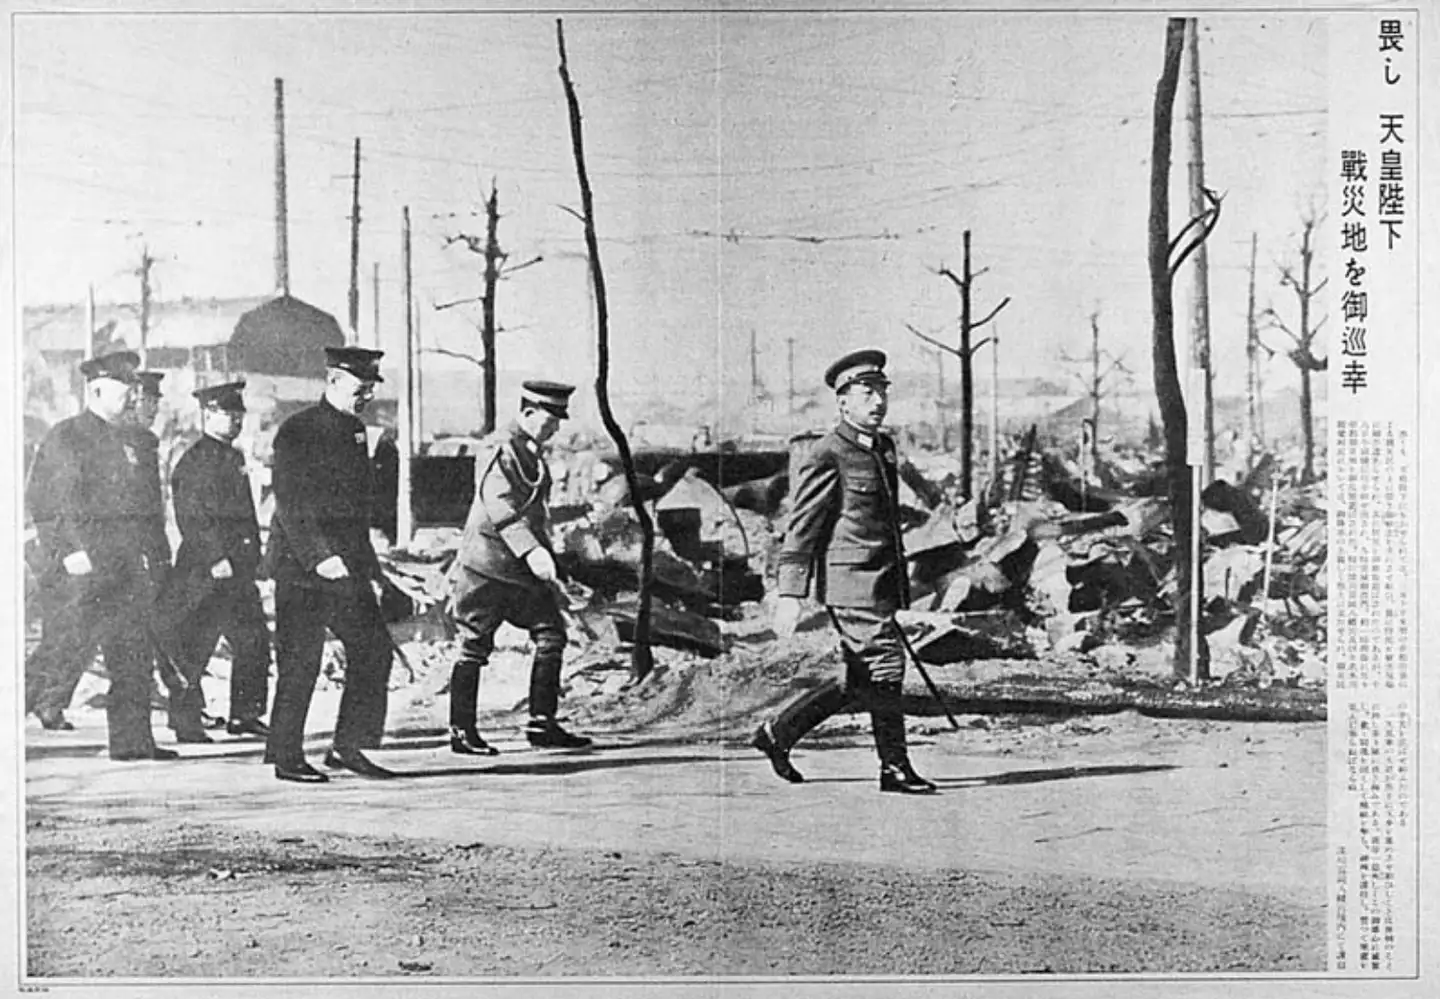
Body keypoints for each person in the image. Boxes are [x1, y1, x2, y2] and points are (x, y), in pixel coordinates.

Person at [752, 347, 936, 794]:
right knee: (886, 662)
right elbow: (802, 528)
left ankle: (778, 733)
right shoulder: (826, 453)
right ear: (843, 401)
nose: (878, 401)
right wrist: (790, 593)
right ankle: (894, 768)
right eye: (866, 393)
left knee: (860, 678)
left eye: (882, 392)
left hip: (880, 579)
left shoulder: (882, 448)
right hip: (848, 582)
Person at [24, 351, 178, 760]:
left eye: (133, 387)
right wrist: (70, 550)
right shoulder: (66, 436)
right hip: (81, 571)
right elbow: (48, 501)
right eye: (123, 387)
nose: (133, 395)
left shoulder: (136, 440)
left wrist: (157, 558)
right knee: (60, 652)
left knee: (132, 654)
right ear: (95, 390)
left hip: (125, 568)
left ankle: (132, 743)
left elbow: (148, 508)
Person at [264, 346, 394, 783]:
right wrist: (319, 557)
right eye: (361, 388)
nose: (367, 397)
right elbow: (290, 502)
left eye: (371, 389)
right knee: (300, 661)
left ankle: (348, 747)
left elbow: (356, 510)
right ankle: (286, 757)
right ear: (334, 380)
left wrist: (370, 567)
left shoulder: (355, 431)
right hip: (302, 567)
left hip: (346, 566)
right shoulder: (297, 430)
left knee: (373, 648)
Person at [448, 380, 592, 753]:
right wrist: (532, 552)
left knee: (551, 633)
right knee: (475, 644)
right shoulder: (498, 447)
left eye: (558, 421)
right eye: (550, 420)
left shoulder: (529, 450)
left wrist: (549, 554)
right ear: (528, 412)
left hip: (521, 568)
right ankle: (461, 731)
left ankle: (542, 724)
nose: (555, 428)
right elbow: (499, 504)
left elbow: (534, 513)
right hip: (487, 565)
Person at [161, 380, 272, 743]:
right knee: (196, 646)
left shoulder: (233, 457)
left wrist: (254, 559)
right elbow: (192, 517)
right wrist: (216, 557)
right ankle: (186, 723)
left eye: (239, 414)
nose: (236, 421)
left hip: (238, 570)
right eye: (228, 414)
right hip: (206, 572)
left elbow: (245, 516)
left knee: (253, 641)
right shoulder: (195, 460)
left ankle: (246, 714)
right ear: (208, 415)